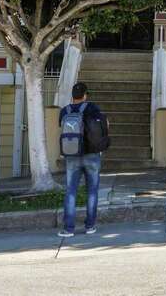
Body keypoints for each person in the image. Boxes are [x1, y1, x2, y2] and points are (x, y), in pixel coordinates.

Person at [58, 82, 106, 237]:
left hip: (72, 156)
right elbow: (105, 126)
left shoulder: (65, 111)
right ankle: (90, 226)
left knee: (71, 191)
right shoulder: (93, 108)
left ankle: (68, 229)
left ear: (72, 96)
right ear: (85, 95)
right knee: (92, 191)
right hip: (92, 155)